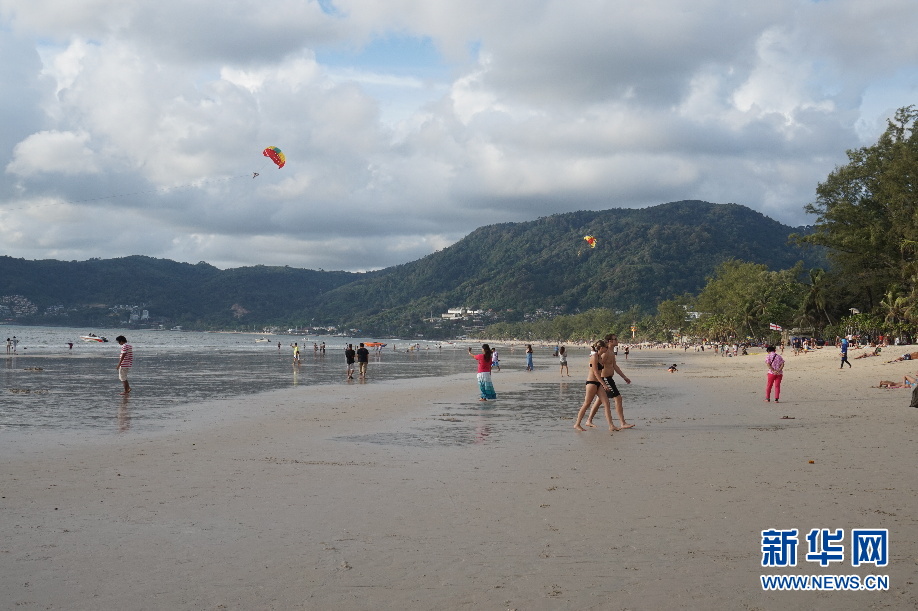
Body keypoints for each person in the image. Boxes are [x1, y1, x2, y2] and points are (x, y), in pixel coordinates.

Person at [587, 333, 634, 429]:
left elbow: (614, 366)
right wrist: (600, 381)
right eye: (615, 339)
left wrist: (624, 377)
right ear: (610, 341)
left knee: (599, 401)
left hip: (609, 378)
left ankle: (589, 420)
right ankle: (622, 423)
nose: (617, 340)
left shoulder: (611, 352)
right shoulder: (605, 352)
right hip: (605, 378)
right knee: (618, 398)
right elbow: (597, 364)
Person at [573, 340, 617, 432]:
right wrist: (604, 384)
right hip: (591, 383)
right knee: (587, 403)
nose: (607, 349)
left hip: (598, 383)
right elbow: (596, 372)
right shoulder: (594, 357)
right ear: (601, 348)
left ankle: (611, 425)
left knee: (606, 403)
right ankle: (577, 424)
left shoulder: (600, 357)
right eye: (606, 347)